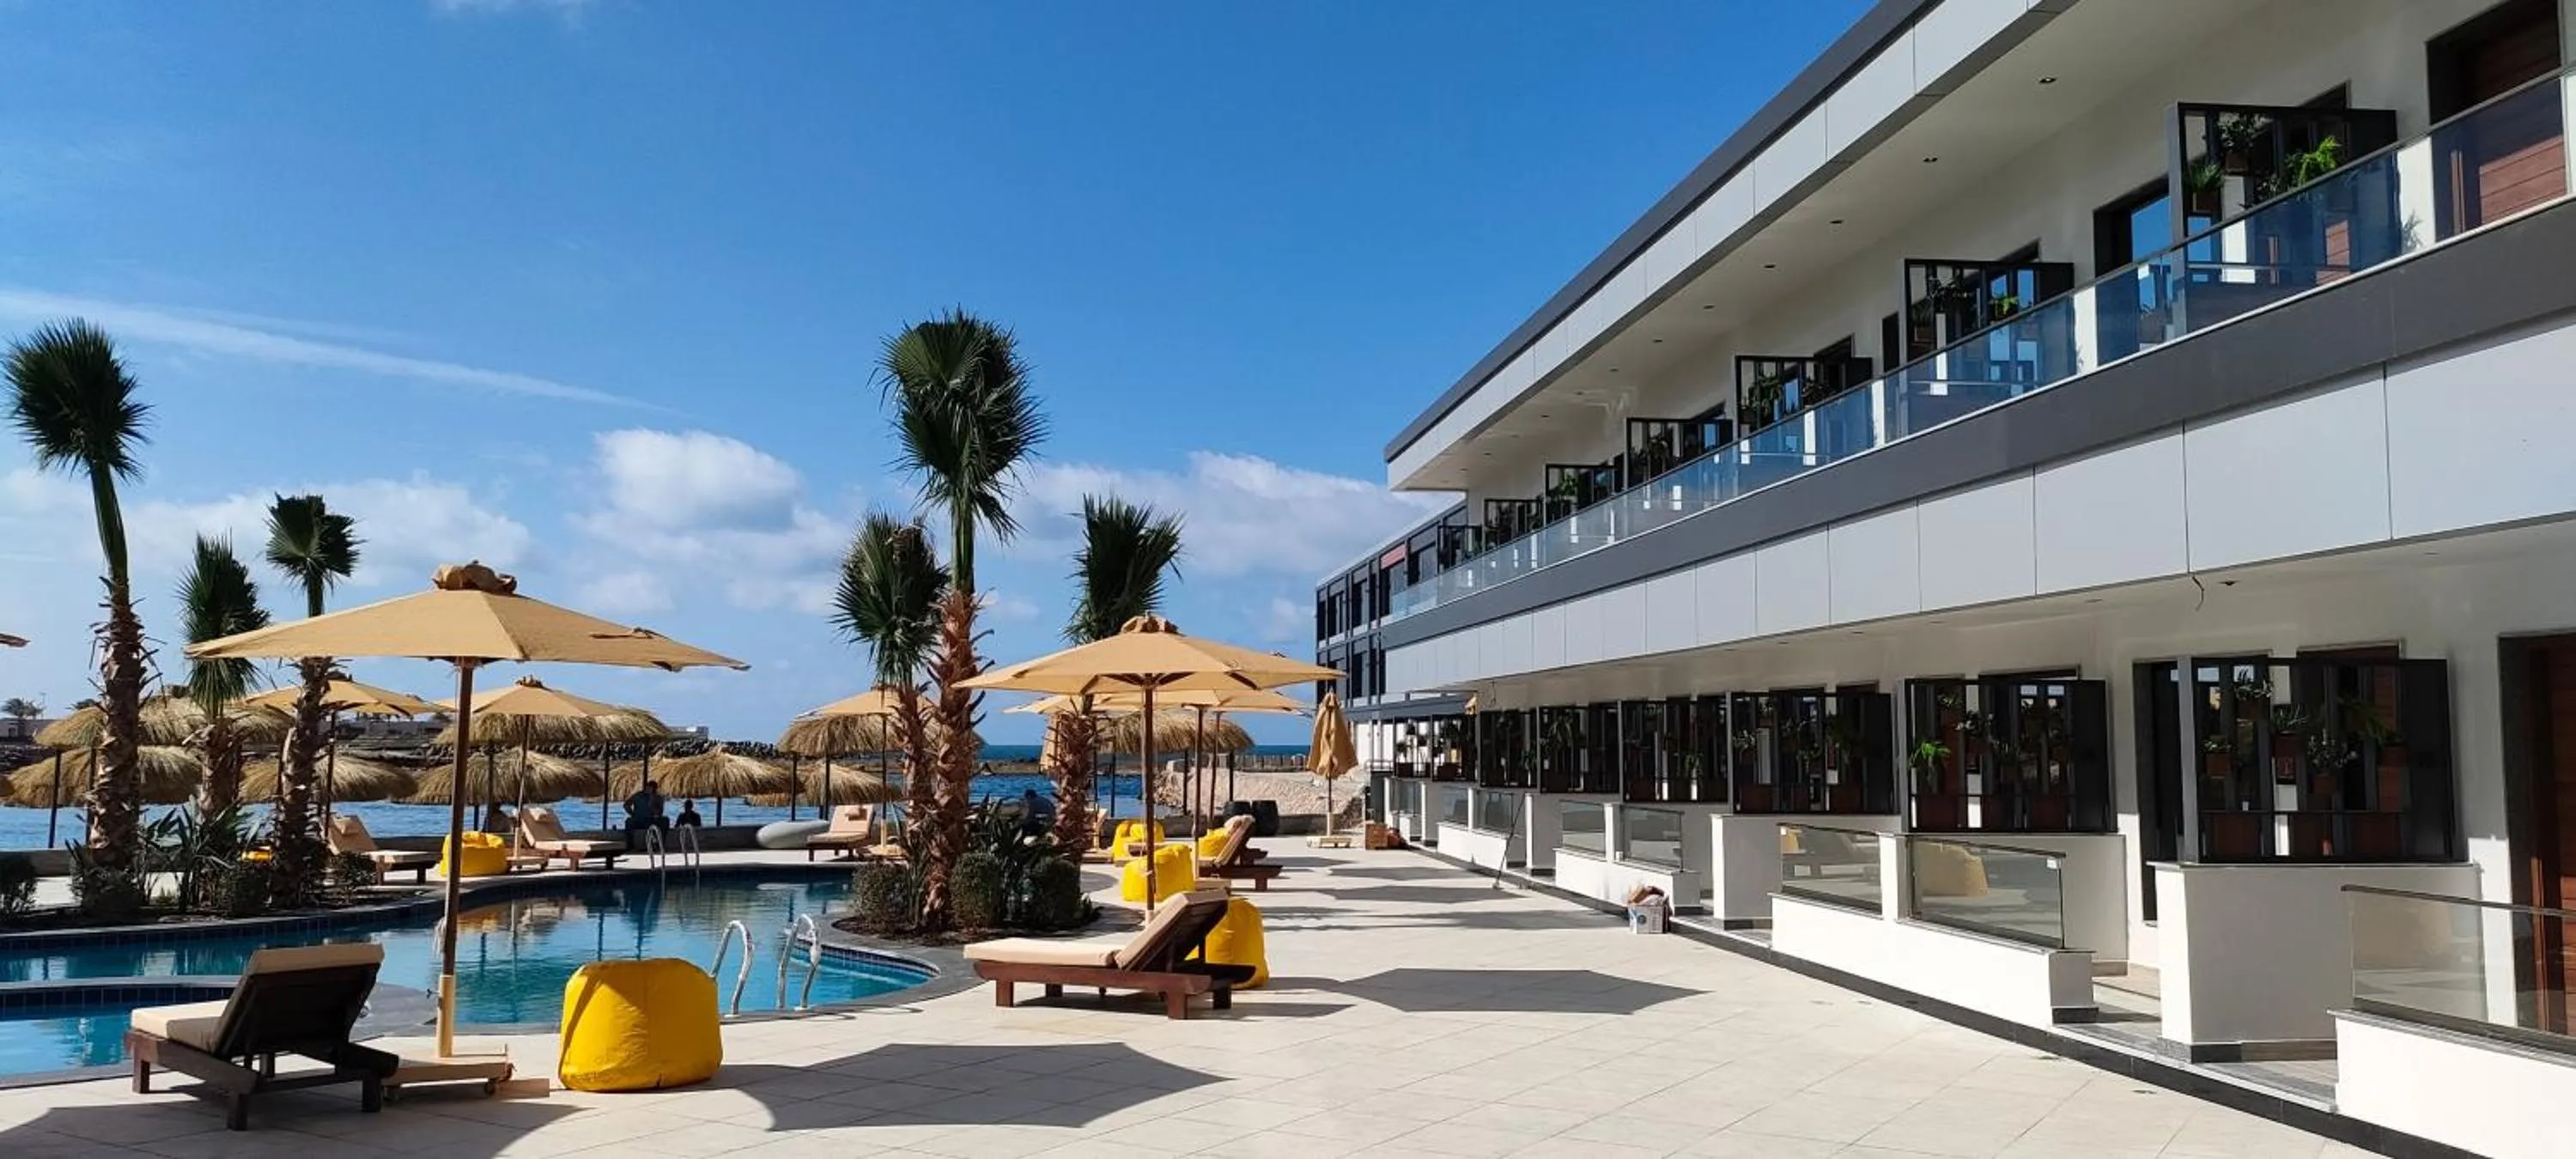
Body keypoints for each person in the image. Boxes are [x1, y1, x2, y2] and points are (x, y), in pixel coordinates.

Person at [623, 778, 670, 849]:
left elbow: (660, 812)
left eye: (651, 788)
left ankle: (659, 844)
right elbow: (626, 805)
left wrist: (651, 804)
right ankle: (630, 845)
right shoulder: (638, 795)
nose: (648, 789)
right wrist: (632, 814)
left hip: (651, 820)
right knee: (629, 822)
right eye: (648, 787)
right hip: (638, 820)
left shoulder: (658, 798)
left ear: (654, 789)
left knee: (665, 820)